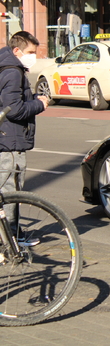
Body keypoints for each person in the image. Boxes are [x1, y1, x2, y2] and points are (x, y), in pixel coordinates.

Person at [0, 31, 49, 244]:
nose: (33, 56)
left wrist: (32, 98)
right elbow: (13, 109)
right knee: (12, 190)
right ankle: (11, 237)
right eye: (30, 52)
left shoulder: (7, 66)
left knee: (9, 189)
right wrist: (39, 104)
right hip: (10, 140)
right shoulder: (13, 72)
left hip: (7, 137)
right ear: (17, 50)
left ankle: (11, 234)